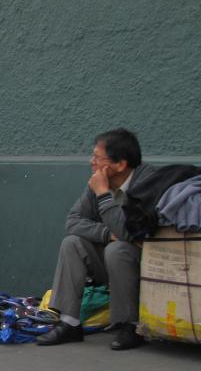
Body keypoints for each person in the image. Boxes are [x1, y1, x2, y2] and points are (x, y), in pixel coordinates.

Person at [37, 128, 156, 350]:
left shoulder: (146, 182)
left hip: (142, 263)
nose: (92, 163)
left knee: (117, 249)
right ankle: (69, 323)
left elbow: (127, 232)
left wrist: (103, 194)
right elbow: (73, 220)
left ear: (120, 164)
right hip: (111, 258)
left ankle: (129, 325)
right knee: (72, 242)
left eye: (97, 158)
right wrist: (105, 233)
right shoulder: (98, 181)